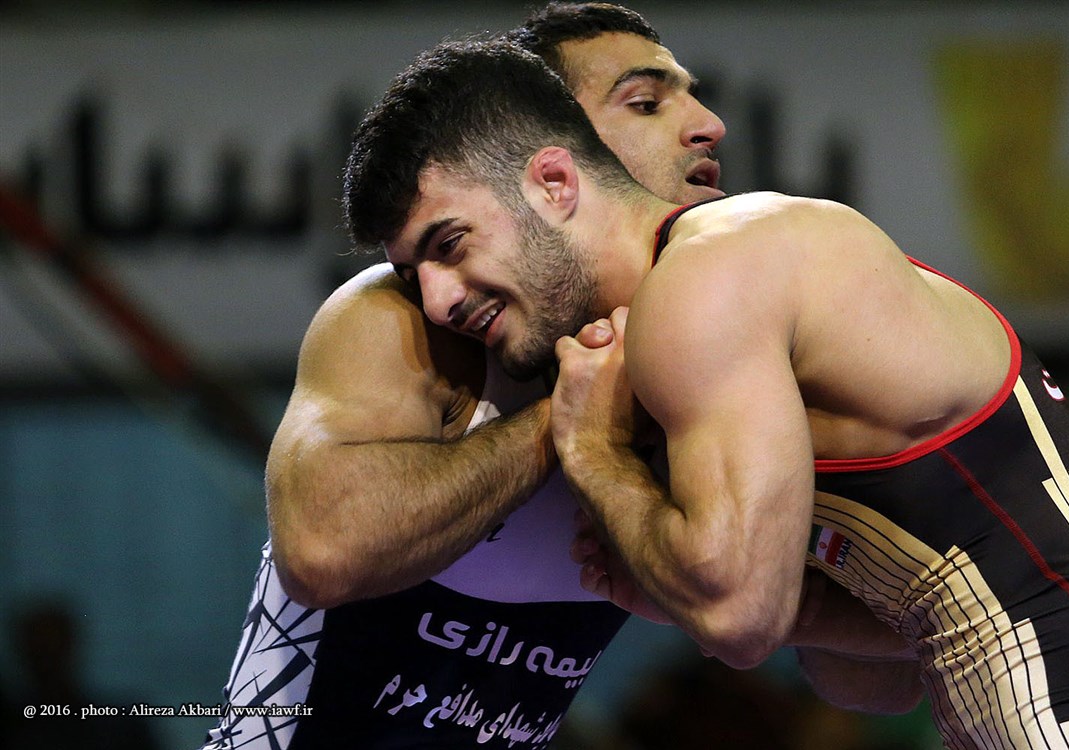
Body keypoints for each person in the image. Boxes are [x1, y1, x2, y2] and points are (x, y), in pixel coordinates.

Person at [345, 37, 1069, 749]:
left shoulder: (712, 275)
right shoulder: (716, 314)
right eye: (416, 275)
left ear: (556, 182)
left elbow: (736, 618)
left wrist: (593, 450)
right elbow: (882, 676)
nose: (439, 301)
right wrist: (704, 587)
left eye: (450, 244)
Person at [205, 5, 912, 749]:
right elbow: (322, 551)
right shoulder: (405, 317)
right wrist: (570, 420)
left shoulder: (719, 358)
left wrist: (775, 586)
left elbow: (879, 685)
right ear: (554, 157)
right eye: (645, 103)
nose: (708, 125)